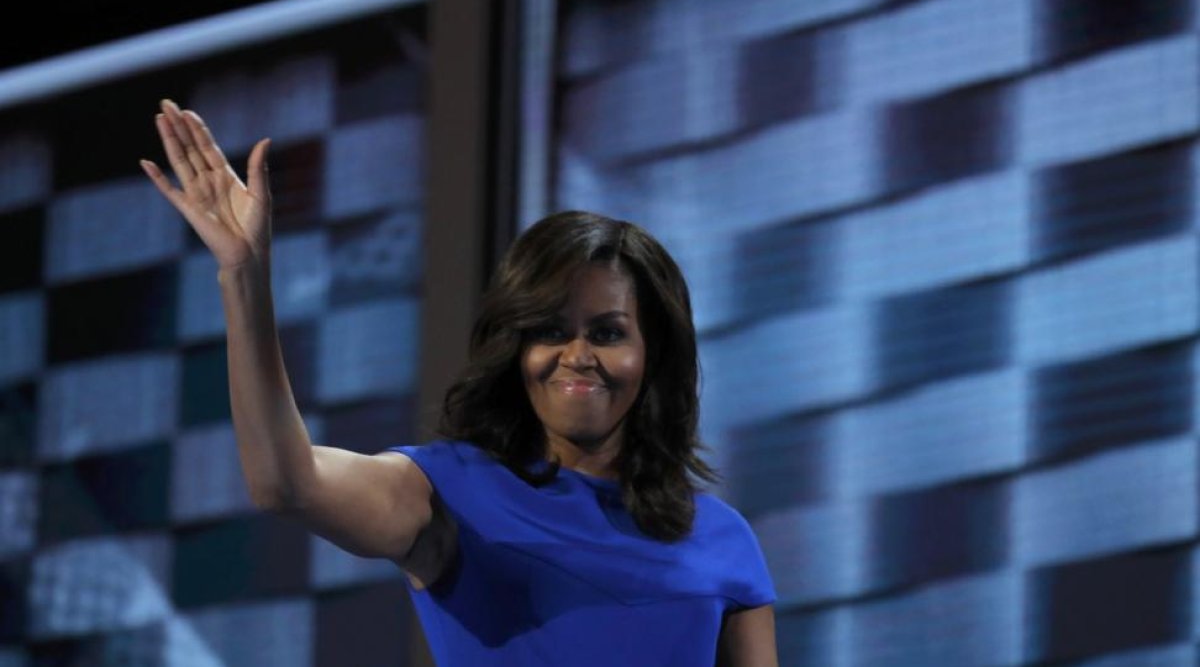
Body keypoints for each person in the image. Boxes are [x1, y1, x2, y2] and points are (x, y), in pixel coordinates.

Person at [143, 98, 778, 666]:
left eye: (608, 333)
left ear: (653, 354)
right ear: (515, 346)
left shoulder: (721, 536)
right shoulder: (448, 490)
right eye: (549, 331)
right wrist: (244, 278)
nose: (577, 355)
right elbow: (285, 481)